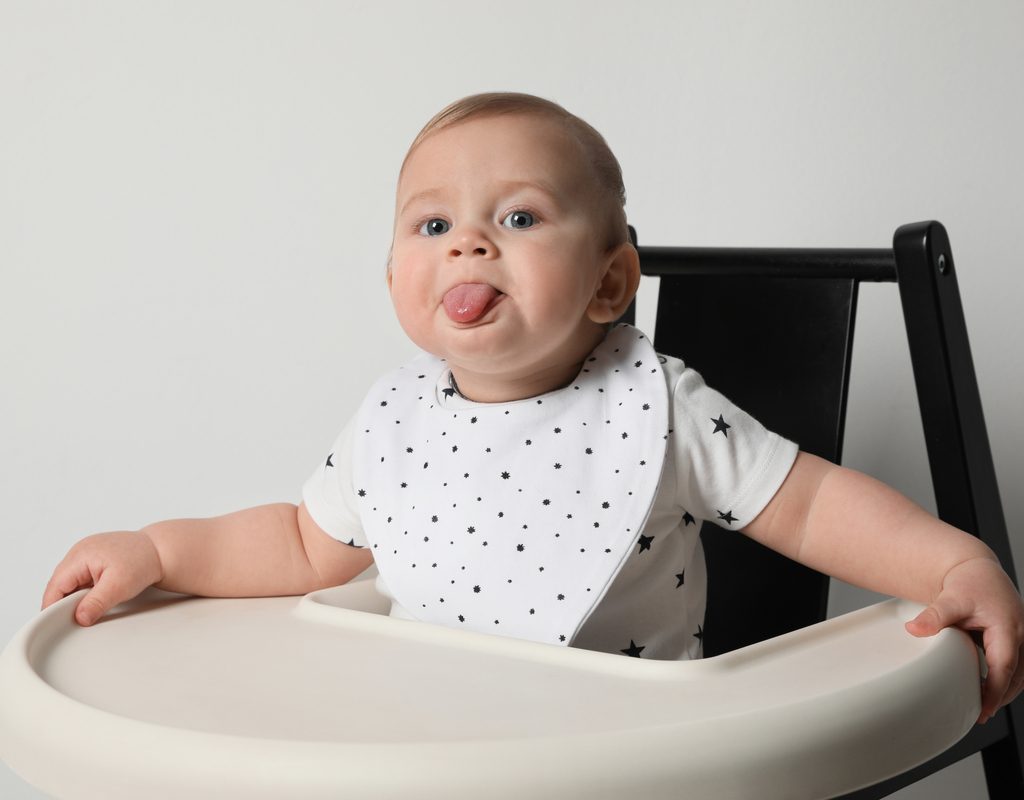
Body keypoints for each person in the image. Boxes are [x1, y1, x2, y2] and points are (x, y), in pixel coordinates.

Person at [42, 92, 1024, 724]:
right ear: (393, 276)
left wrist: (954, 561)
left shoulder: (659, 407)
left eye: (516, 217)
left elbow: (808, 505)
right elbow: (304, 541)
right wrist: (163, 550)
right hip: (430, 742)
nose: (469, 242)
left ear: (609, 282)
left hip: (629, 755)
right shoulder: (394, 419)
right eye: (434, 223)